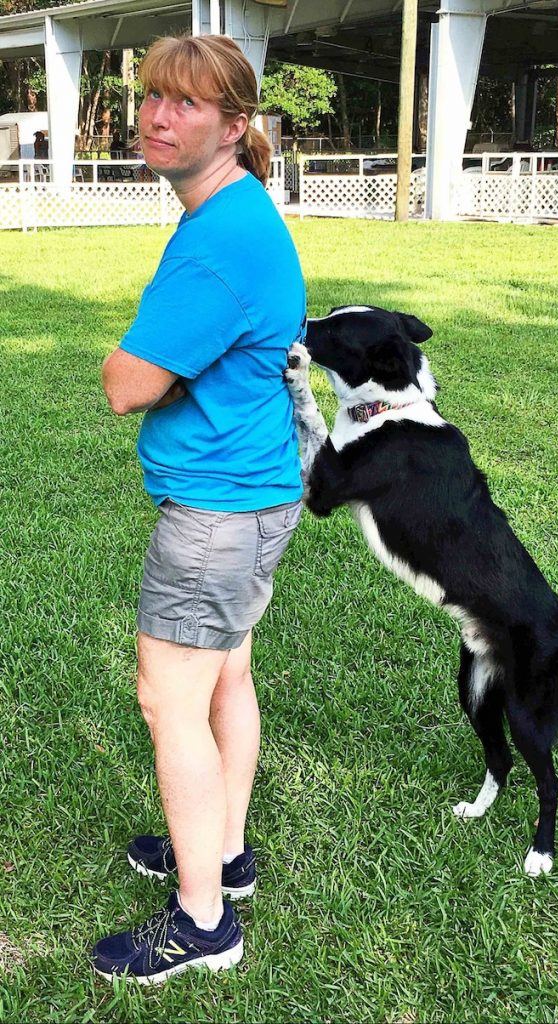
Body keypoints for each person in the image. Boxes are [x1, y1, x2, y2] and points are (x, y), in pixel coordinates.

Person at [94, 34, 305, 985]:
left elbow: (126, 384)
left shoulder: (219, 239)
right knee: (226, 680)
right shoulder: (238, 207)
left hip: (217, 510)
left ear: (233, 123)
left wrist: (134, 365)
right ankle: (221, 854)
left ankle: (202, 923)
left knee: (166, 696)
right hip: (254, 493)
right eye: (151, 97)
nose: (157, 117)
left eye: (184, 104)